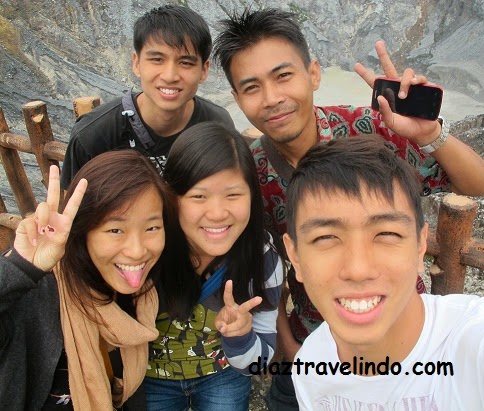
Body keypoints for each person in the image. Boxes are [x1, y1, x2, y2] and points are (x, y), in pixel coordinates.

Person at [212, 8, 484, 408]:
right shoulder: (249, 174)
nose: (272, 98)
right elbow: (265, 266)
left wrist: (430, 133)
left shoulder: (373, 131)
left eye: (283, 76)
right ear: (237, 97)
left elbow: (478, 184)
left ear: (313, 74)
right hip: (312, 344)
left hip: (401, 343)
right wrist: (291, 348)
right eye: (252, 87)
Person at [283, 137, 484, 410]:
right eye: (325, 238)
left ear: (420, 246)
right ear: (296, 257)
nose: (358, 270)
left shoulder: (475, 345)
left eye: (387, 234)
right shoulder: (311, 365)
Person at [0, 150, 178, 410]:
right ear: (82, 232)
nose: (137, 250)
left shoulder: (144, 294)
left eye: (152, 228)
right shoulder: (36, 294)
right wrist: (20, 267)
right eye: (115, 230)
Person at [144, 122, 284, 410]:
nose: (218, 213)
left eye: (233, 195)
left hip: (223, 375)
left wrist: (241, 336)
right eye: (199, 196)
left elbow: (259, 363)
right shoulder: (147, 250)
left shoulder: (263, 260)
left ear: (252, 195)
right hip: (150, 378)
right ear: (171, 197)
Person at [60, 4, 235, 189]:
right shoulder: (93, 136)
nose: (170, 76)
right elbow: (71, 204)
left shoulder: (217, 124)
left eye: (185, 62)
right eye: (157, 60)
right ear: (136, 63)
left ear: (204, 70)